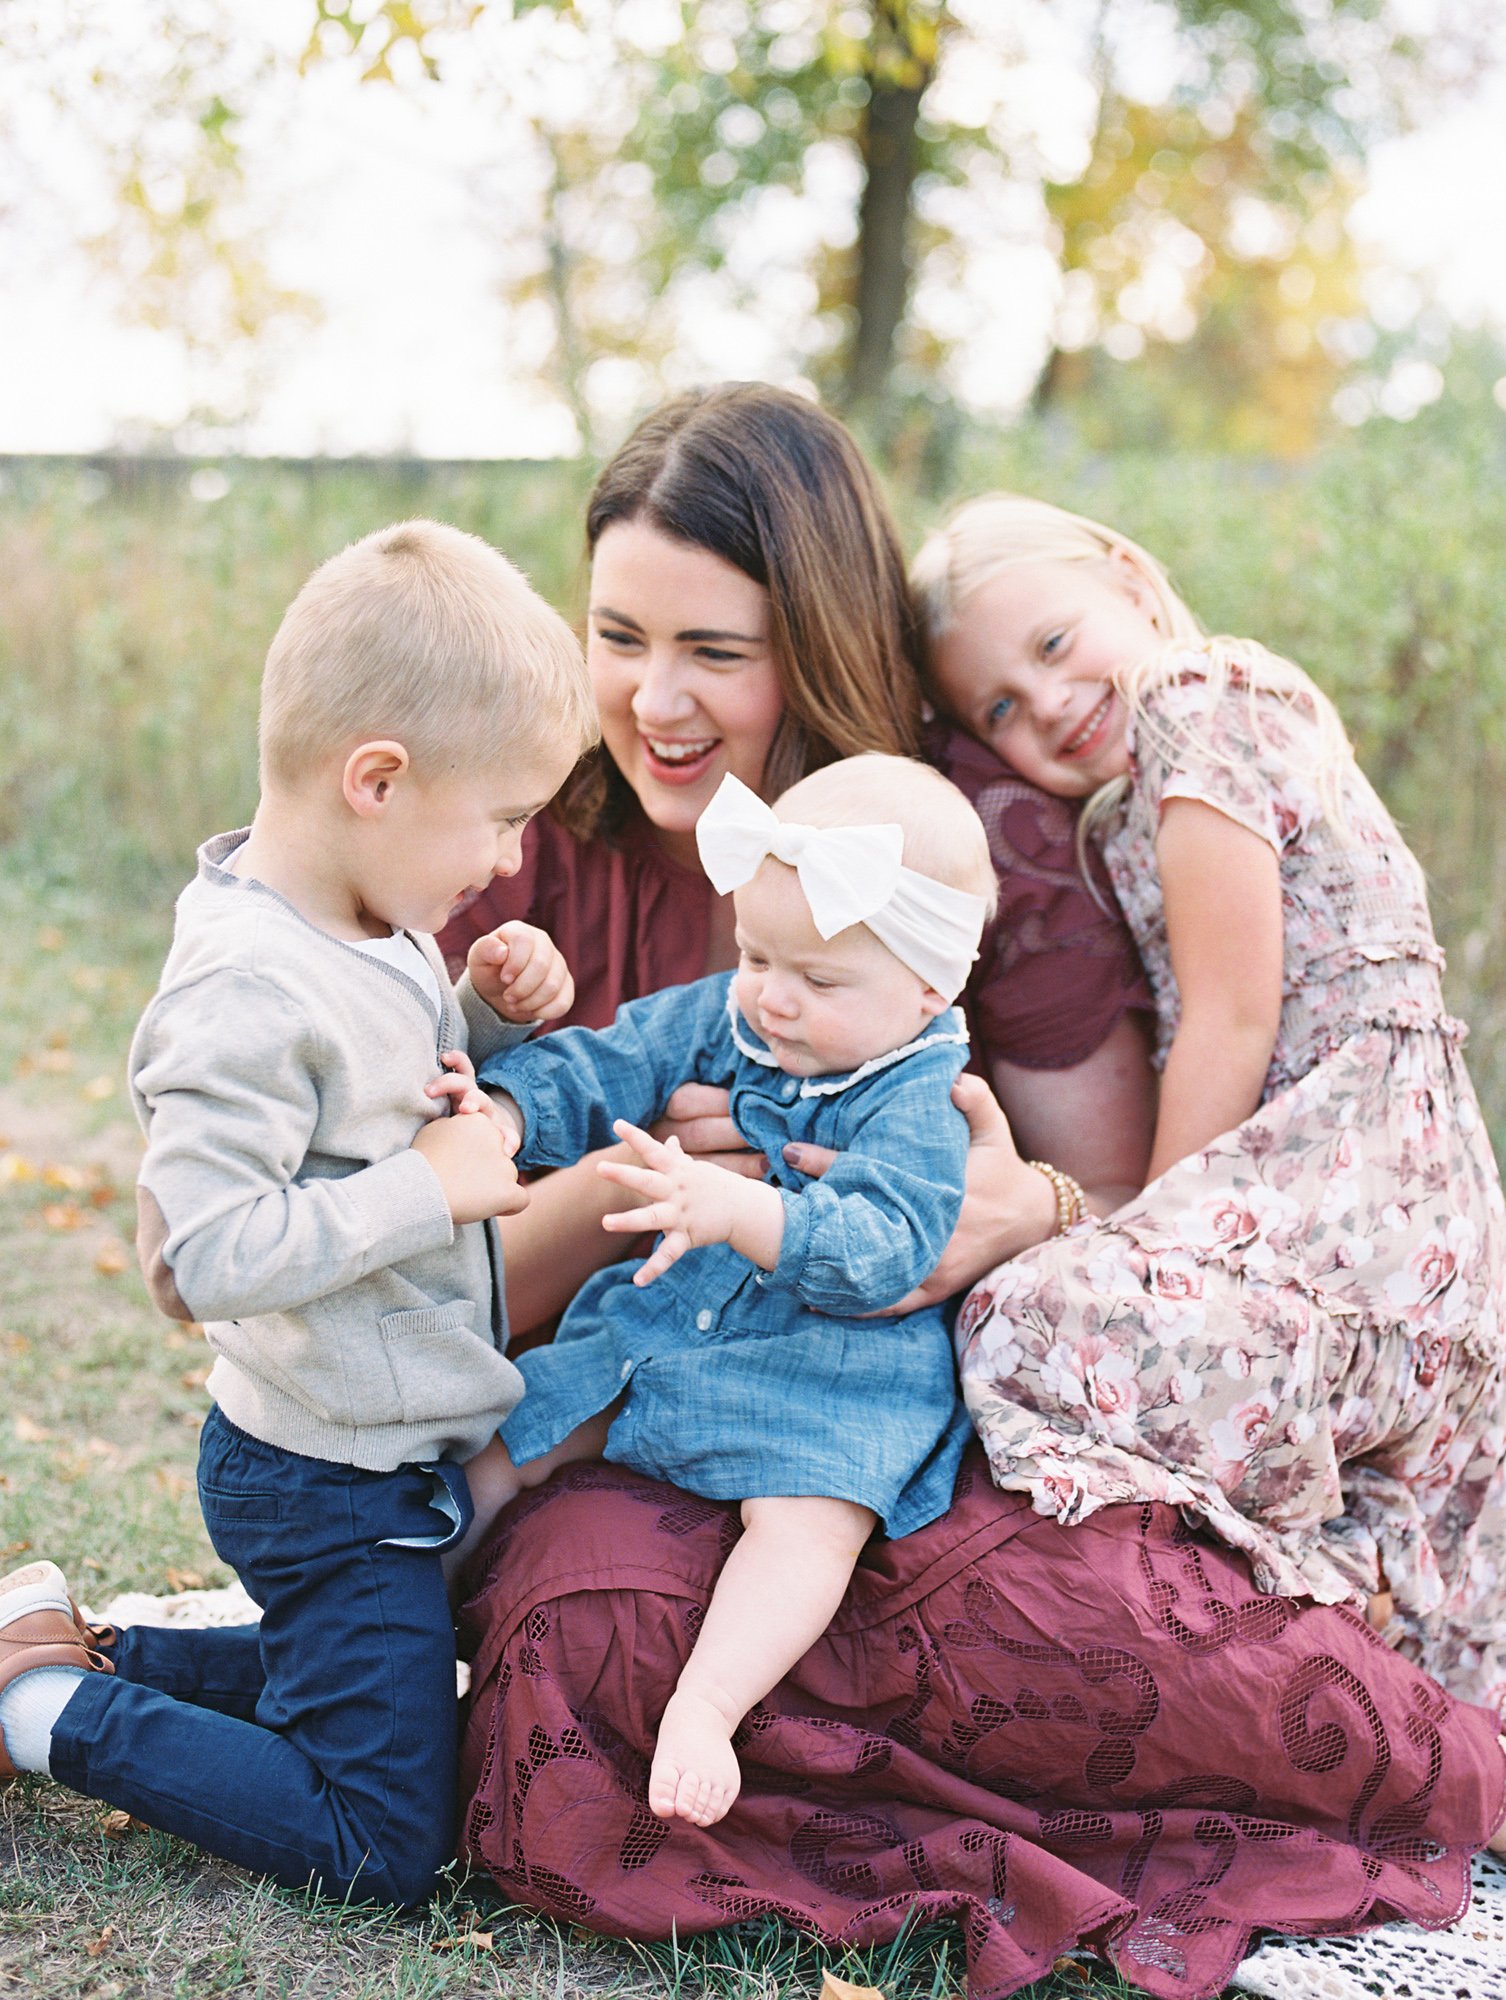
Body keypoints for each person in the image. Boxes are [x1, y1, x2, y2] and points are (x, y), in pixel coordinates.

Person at [440, 390, 1506, 1997]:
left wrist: (1020, 1218)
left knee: (1070, 1625)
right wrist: (642, 1184)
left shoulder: (957, 838)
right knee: (580, 1618)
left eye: (715, 653)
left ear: (811, 642)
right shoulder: (527, 847)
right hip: (638, 1402)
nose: (654, 701)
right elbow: (420, 1276)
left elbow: (1125, 1202)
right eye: (617, 636)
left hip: (911, 1431)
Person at [0, 520, 596, 1907]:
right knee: (383, 1835)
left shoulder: (364, 916)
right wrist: (426, 1188)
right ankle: (44, 1718)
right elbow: (201, 1257)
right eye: (500, 818)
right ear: (376, 780)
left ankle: (90, 1646)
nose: (508, 862)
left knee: (378, 1678)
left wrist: (480, 1024)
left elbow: (365, 1109)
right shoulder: (240, 989)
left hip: (376, 1445)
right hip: (323, 1477)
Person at [913, 492, 1506, 1720]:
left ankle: (1317, 1587)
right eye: (1001, 709)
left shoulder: (1201, 695)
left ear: (1129, 576)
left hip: (1370, 1185)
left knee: (1024, 1317)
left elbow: (1233, 1020)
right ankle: (1342, 1594)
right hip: (1331, 1188)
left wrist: (1147, 1242)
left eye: (1055, 643)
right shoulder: (1128, 812)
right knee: (1039, 1306)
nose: (1049, 702)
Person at [445, 757, 991, 1826]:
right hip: (673, 1322)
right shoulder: (737, 1015)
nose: (772, 994)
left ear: (928, 989)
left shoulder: (920, 1097)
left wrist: (739, 1209)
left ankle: (706, 1705)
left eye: (820, 980)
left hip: (826, 1376)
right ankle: (404, 1633)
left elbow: (887, 1248)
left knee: (807, 1526)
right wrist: (507, 1115)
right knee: (511, 1429)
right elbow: (614, 1057)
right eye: (755, 953)